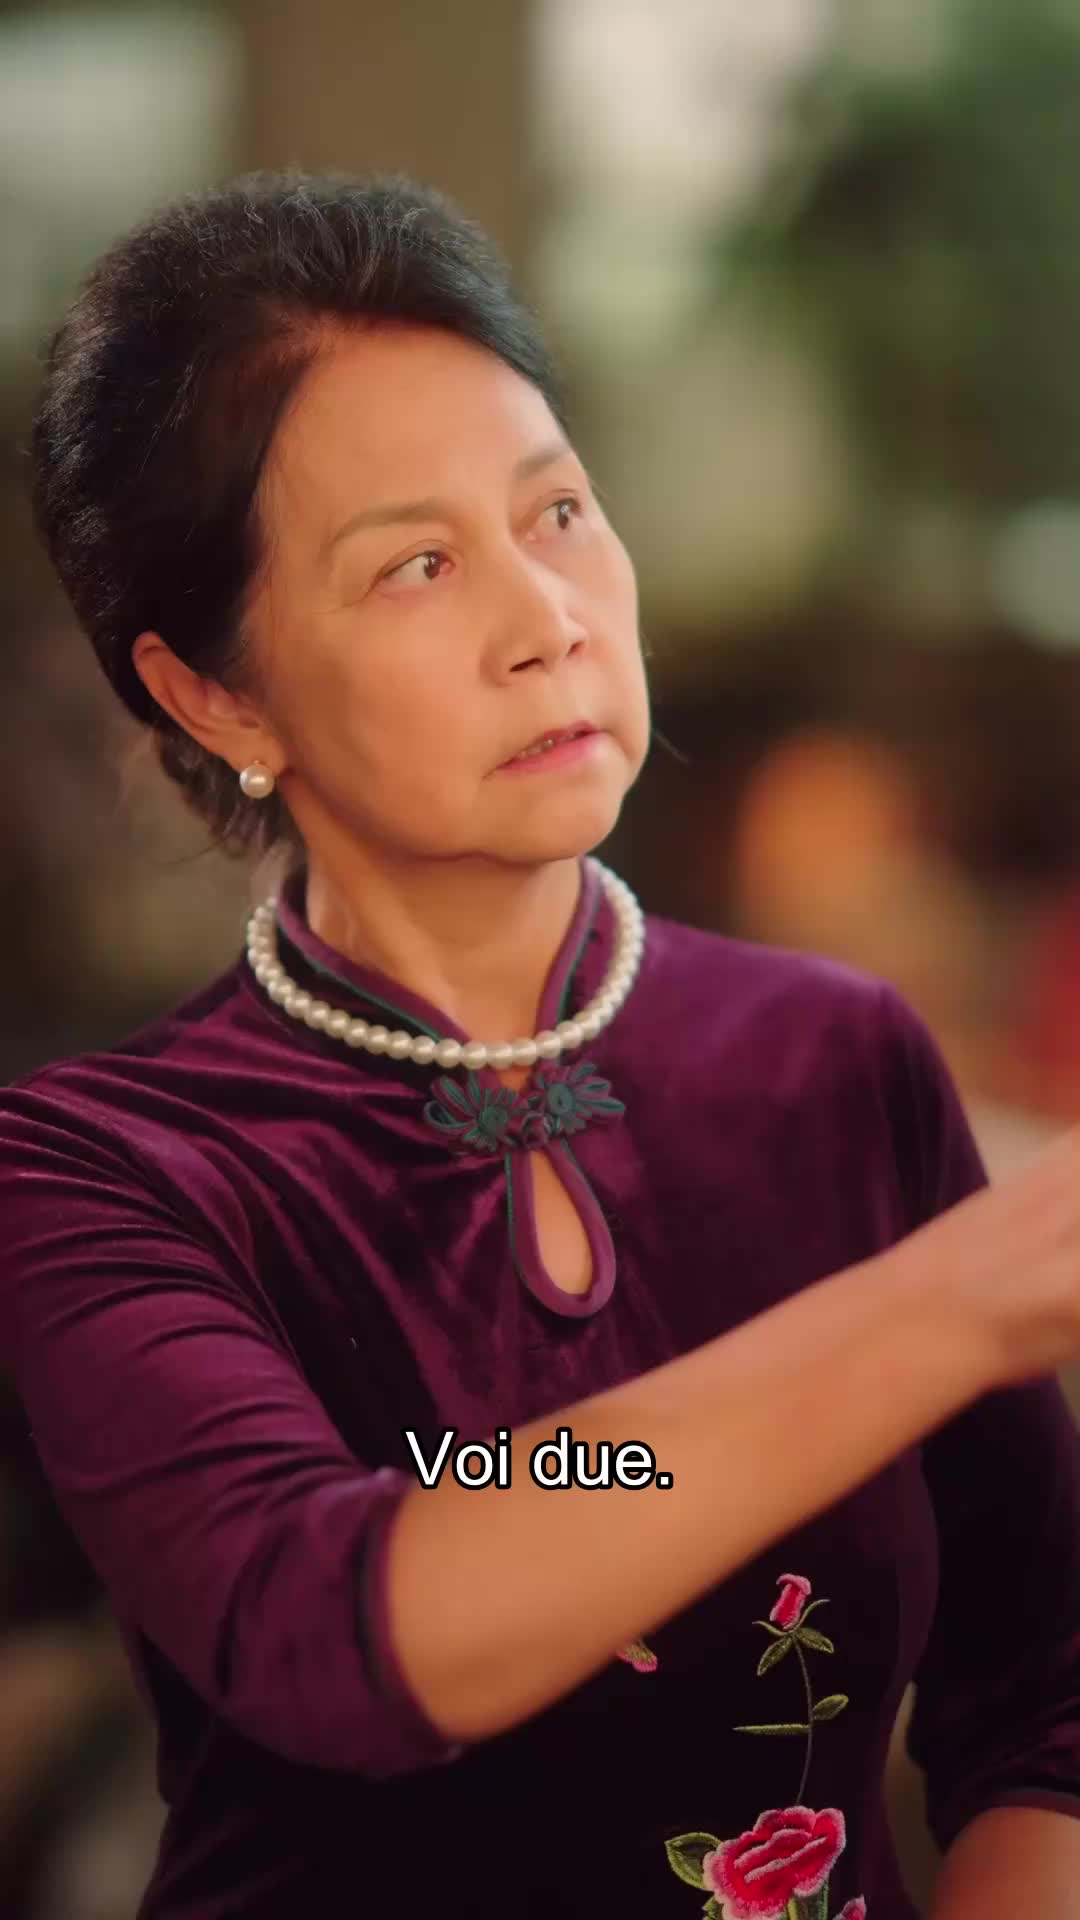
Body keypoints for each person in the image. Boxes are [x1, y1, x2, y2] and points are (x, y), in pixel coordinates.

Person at [1, 170, 1078, 1920]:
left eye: (558, 512)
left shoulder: (834, 1063)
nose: (545, 621)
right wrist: (951, 1302)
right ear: (217, 693)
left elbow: (1046, 1700)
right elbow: (334, 1622)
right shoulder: (107, 1169)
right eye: (417, 565)